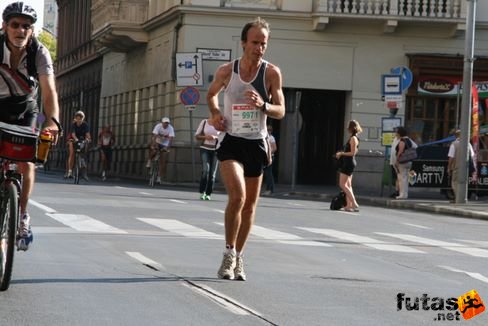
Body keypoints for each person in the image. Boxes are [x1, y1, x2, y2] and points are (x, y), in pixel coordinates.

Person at [207, 17, 285, 281]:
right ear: (243, 43)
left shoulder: (271, 73)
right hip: (231, 140)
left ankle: (239, 257)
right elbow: (211, 95)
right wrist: (216, 112)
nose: (259, 48)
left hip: (257, 143)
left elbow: (281, 110)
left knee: (250, 206)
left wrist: (264, 105)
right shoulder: (227, 71)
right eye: (254, 42)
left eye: (263, 43)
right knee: (238, 197)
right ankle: (228, 255)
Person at [0, 2, 60, 250]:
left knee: (26, 161)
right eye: (15, 25)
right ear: (5, 27)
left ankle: (23, 215)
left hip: (26, 108)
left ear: (32, 31)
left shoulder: (39, 53)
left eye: (26, 26)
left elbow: (49, 91)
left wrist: (53, 122)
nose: (20, 30)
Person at [335, 120, 362, 212]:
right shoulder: (356, 138)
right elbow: (355, 151)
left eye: (348, 127)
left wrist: (342, 153)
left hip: (348, 163)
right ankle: (348, 205)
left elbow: (353, 153)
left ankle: (354, 203)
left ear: (350, 128)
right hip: (350, 162)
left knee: (342, 184)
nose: (347, 129)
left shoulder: (353, 138)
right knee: (348, 185)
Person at [195, 118, 220, 200]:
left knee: (212, 173)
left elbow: (225, 137)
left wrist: (215, 137)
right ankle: (203, 192)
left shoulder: (221, 123)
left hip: (216, 150)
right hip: (204, 148)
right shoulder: (204, 122)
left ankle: (208, 193)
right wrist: (206, 137)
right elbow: (197, 136)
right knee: (206, 170)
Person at [447, 129, 475, 202]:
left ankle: (458, 198)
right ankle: (461, 197)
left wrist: (449, 168)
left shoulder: (454, 144)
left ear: (455, 136)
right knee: (464, 183)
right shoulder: (468, 144)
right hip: (466, 168)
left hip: (456, 167)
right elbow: (472, 156)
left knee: (454, 183)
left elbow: (451, 157)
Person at [146, 117, 175, 184]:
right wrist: (154, 145)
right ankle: (150, 160)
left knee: (163, 161)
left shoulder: (170, 128)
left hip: (165, 143)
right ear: (162, 123)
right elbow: (154, 136)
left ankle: (159, 177)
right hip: (157, 141)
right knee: (153, 150)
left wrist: (167, 148)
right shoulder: (158, 126)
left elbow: (171, 139)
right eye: (165, 123)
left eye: (167, 123)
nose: (166, 124)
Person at [66, 110, 91, 179]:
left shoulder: (85, 125)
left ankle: (83, 165)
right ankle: (70, 171)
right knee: (72, 153)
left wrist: (88, 139)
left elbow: (87, 134)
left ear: (83, 119)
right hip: (74, 139)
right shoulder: (73, 125)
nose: (79, 120)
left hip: (82, 139)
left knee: (84, 149)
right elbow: (73, 134)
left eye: (81, 118)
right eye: (78, 118)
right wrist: (76, 139)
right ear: (76, 118)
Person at [394, 126, 417, 199]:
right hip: (409, 161)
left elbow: (400, 151)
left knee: (401, 178)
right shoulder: (409, 140)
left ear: (400, 133)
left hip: (402, 161)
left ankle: (402, 194)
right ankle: (405, 194)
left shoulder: (402, 141)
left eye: (397, 132)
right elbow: (415, 146)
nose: (396, 134)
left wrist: (397, 160)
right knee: (406, 178)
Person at [262, 124, 277, 195]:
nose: (268, 131)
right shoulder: (265, 137)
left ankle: (270, 189)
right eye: (267, 130)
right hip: (266, 157)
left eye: (269, 130)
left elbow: (274, 148)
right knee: (267, 173)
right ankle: (269, 189)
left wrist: (268, 153)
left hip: (270, 157)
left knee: (268, 173)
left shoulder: (271, 138)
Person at [389, 129, 400, 198]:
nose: (395, 133)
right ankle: (397, 191)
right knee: (396, 177)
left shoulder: (403, 140)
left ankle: (398, 192)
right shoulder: (395, 139)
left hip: (398, 162)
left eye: (396, 132)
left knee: (399, 177)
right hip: (393, 161)